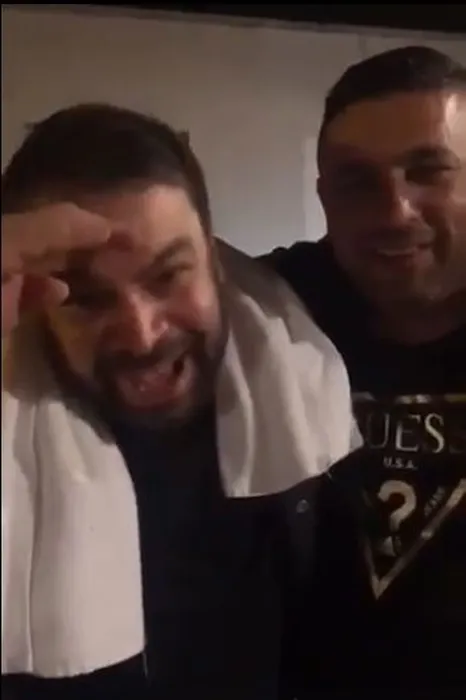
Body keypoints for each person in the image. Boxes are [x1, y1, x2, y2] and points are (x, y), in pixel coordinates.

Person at [1, 104, 359, 699]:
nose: (142, 335)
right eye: (87, 299)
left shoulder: (306, 400)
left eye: (168, 276)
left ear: (215, 261)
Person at [269, 46, 466, 695]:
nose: (394, 211)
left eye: (428, 171)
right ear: (324, 196)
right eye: (357, 181)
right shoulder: (270, 305)